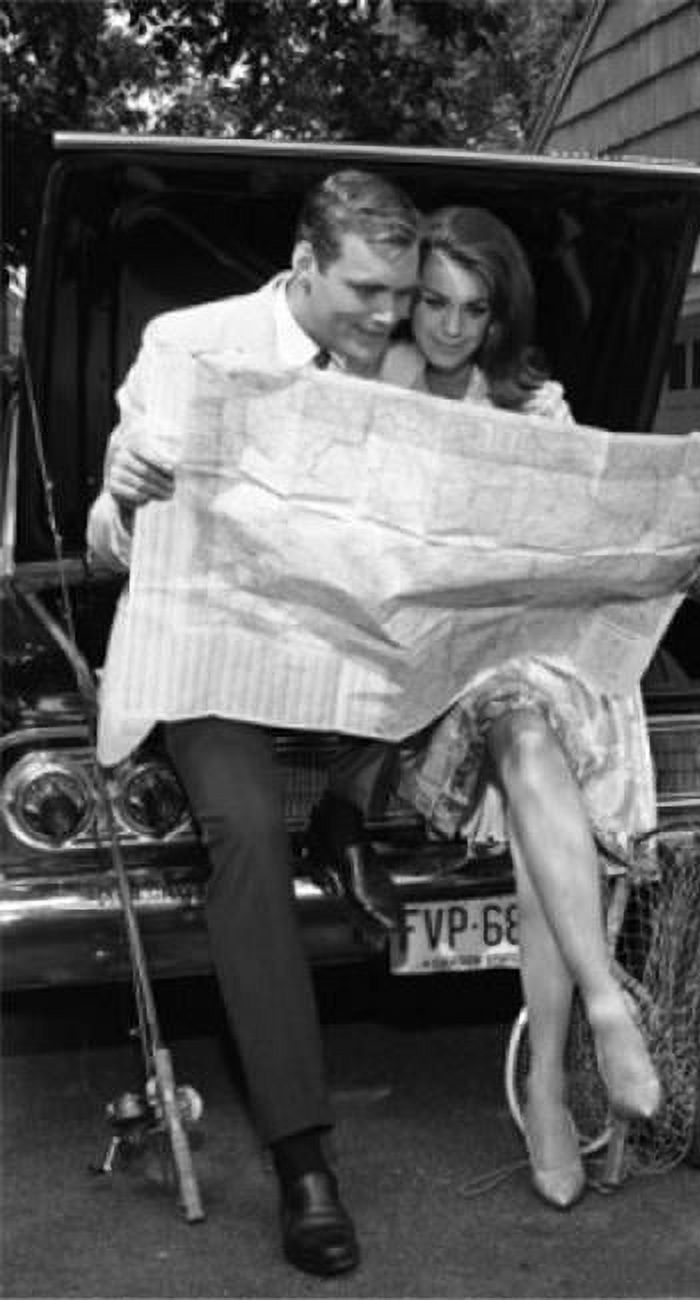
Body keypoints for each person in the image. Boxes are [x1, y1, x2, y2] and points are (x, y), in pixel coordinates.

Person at [85, 170, 423, 1277]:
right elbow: (100, 538)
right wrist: (123, 494)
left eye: (402, 296)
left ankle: (342, 804)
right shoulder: (188, 343)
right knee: (241, 830)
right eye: (367, 291)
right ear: (305, 263)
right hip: (212, 661)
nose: (387, 316)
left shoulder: (408, 372)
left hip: (345, 664)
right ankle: (303, 1161)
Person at [373, 206, 663, 1209]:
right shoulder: (371, 386)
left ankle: (557, 1071)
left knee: (531, 728)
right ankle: (595, 1008)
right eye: (433, 303)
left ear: (499, 312)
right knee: (520, 726)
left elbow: (584, 532)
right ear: (407, 297)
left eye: (473, 308)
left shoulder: (536, 402)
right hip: (426, 665)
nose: (450, 328)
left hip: (534, 651)